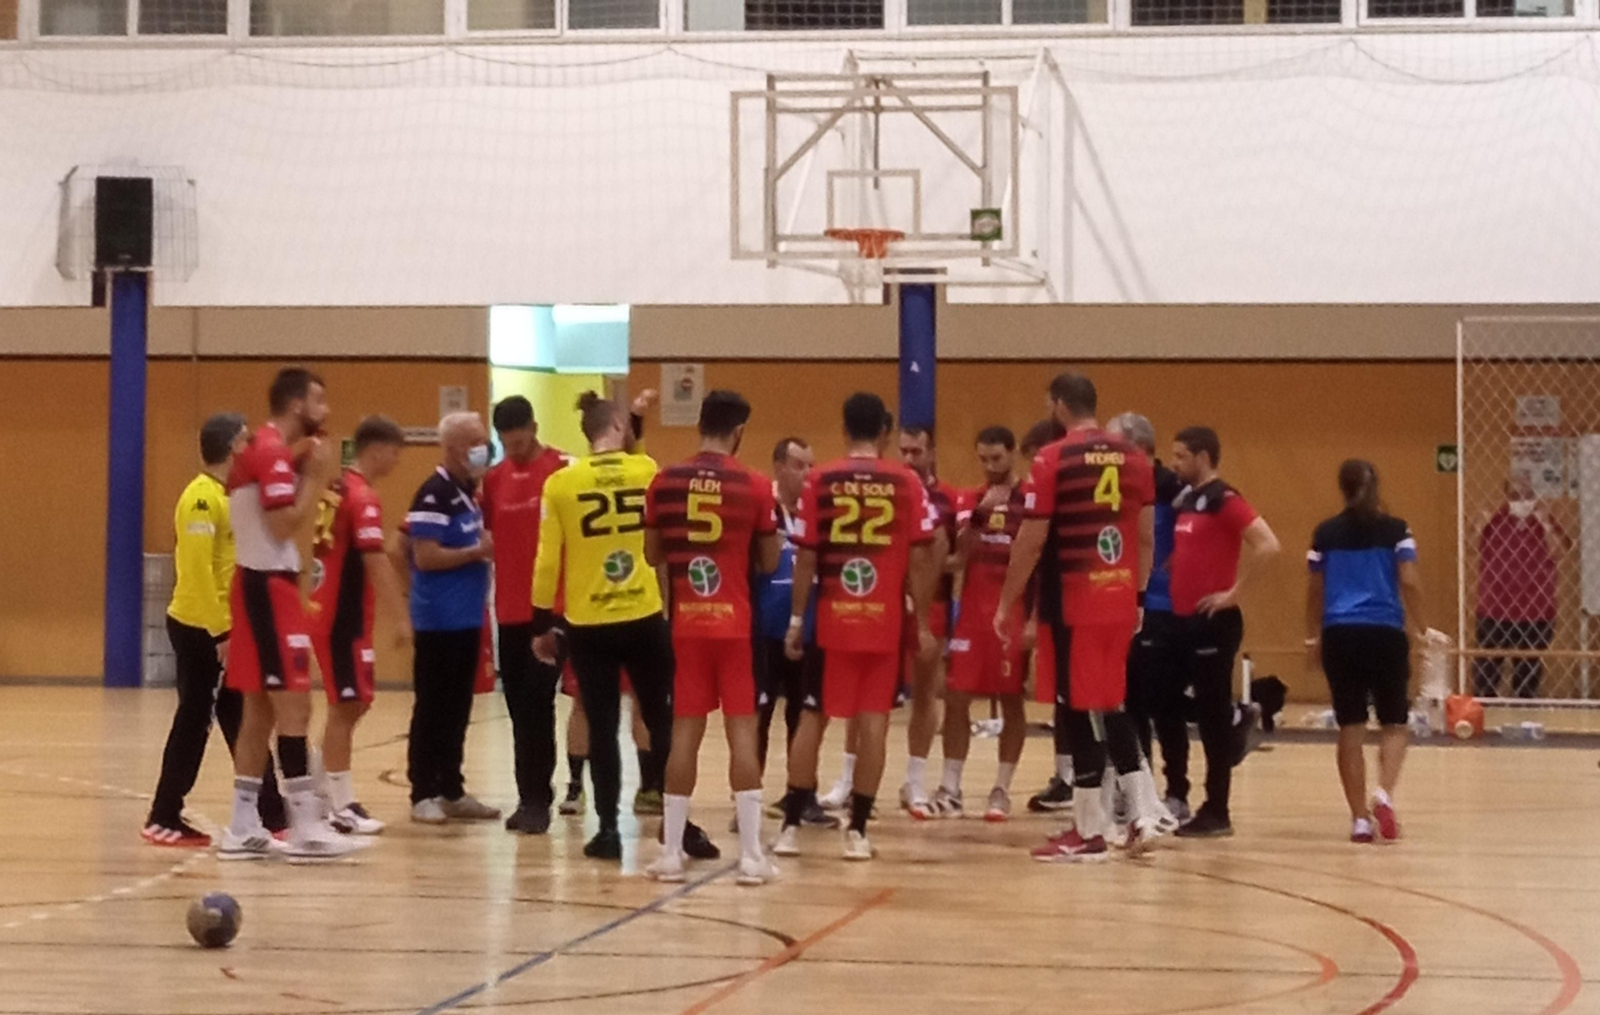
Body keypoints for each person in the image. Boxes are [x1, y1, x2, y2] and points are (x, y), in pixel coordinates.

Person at [531, 391, 716, 862]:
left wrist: (540, 625)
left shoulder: (561, 483)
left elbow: (547, 562)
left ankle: (609, 830)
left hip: (589, 623)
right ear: (618, 426)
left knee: (602, 725)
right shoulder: (647, 470)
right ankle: (679, 823)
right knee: (661, 722)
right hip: (644, 616)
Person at [997, 373, 1164, 862]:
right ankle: (1132, 814)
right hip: (1118, 597)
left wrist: (1007, 602)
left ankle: (1095, 830)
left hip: (1075, 602)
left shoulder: (1053, 458)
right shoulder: (1136, 457)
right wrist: (1137, 596)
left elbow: (1030, 539)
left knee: (1080, 709)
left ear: (1058, 405)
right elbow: (1147, 536)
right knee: (1107, 704)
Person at [774, 392, 938, 861]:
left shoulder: (821, 479)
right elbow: (924, 557)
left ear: (845, 431)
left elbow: (805, 555)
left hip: (832, 623)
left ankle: (789, 827)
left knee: (812, 719)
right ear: (885, 432)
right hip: (882, 624)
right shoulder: (907, 481)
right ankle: (859, 832)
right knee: (874, 727)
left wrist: (797, 619)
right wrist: (921, 621)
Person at [219, 367, 360, 861]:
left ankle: (241, 823)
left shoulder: (265, 449)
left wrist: (304, 462)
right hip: (267, 585)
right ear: (298, 403)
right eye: (319, 400)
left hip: (256, 583)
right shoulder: (272, 452)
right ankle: (304, 824)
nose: (326, 411)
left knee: (258, 709)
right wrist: (315, 480)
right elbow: (283, 525)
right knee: (293, 706)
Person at [643, 390, 782, 884]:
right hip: (736, 625)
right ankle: (750, 857)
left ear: (700, 424)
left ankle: (670, 855)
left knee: (684, 735)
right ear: (739, 431)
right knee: (742, 734)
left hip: (687, 624)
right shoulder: (756, 484)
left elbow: (652, 554)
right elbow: (768, 562)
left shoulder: (665, 480)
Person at [143, 413, 286, 847]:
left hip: (225, 628)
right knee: (195, 720)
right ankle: (164, 815)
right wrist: (220, 634)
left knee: (243, 719)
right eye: (246, 441)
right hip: (201, 629)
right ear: (231, 447)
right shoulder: (201, 499)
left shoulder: (230, 496)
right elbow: (197, 571)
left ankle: (273, 812)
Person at [1166, 425, 1281, 838]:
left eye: (1181, 456)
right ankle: (1240, 718)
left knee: (1211, 720)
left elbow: (1268, 545)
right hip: (1183, 620)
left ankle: (1217, 809)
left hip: (1213, 622)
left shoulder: (1224, 500)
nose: (1175, 463)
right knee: (1162, 697)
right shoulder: (1190, 501)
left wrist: (1234, 593)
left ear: (1202, 456)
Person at [1305, 460, 1425, 845]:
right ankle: (1384, 793)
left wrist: (1313, 636)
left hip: (1340, 634)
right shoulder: (1396, 531)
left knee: (1351, 727)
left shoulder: (1325, 533)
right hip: (1385, 632)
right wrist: (1420, 628)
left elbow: (1315, 590)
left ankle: (1359, 819)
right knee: (1394, 723)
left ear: (1342, 488)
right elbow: (1408, 580)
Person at [310, 415, 410, 836]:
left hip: (330, 612)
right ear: (377, 449)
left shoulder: (335, 488)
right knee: (347, 705)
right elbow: (375, 558)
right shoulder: (363, 497)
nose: (397, 460)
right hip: (341, 618)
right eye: (395, 452)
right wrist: (402, 617)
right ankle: (339, 802)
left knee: (354, 702)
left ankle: (319, 788)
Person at [481, 395, 572, 834]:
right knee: (519, 709)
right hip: (510, 613)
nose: (514, 449)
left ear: (534, 429)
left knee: (539, 703)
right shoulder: (494, 480)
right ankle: (527, 797)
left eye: (519, 440)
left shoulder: (561, 469)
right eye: (506, 442)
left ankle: (542, 799)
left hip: (553, 611)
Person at [405, 412, 501, 826]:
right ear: (453, 448)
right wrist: (474, 553)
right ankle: (422, 790)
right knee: (433, 706)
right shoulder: (433, 494)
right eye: (475, 441)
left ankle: (451, 788)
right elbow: (423, 555)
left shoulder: (469, 491)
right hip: (437, 621)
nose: (484, 448)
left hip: (466, 619)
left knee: (459, 707)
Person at [930, 426, 1028, 822]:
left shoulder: (1031, 501)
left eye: (997, 459)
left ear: (1013, 454)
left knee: (1012, 700)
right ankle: (950, 787)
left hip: (1014, 612)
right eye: (983, 460)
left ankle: (1001, 789)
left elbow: (1038, 565)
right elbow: (955, 561)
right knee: (955, 698)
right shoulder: (971, 500)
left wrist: (1035, 620)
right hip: (971, 614)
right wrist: (982, 515)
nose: (989, 467)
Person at [1106, 411, 1191, 822]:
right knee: (1129, 701)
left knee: (1167, 706)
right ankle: (1136, 786)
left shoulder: (1174, 488)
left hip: (1163, 607)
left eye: (1114, 443)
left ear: (1137, 447)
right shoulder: (1112, 486)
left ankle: (1178, 790)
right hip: (1125, 605)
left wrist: (1176, 562)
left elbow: (1193, 534)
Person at [752, 437, 837, 829]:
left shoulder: (817, 509)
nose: (808, 474)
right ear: (779, 466)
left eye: (811, 465)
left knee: (805, 716)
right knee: (759, 715)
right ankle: (748, 800)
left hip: (808, 630)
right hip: (765, 629)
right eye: (800, 465)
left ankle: (802, 796)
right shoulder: (762, 507)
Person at [896, 423, 958, 818]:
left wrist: (925, 570)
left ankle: (915, 780)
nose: (908, 459)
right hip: (885, 603)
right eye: (903, 451)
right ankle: (847, 782)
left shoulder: (949, 500)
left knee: (924, 694)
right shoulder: (890, 489)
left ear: (932, 453)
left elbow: (953, 559)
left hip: (930, 604)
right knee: (871, 698)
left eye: (916, 452)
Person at [1474, 476, 1571, 699]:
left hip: (1535, 610)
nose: (1522, 502)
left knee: (1527, 676)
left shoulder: (1544, 521)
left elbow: (1559, 552)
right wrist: (1480, 524)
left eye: (1528, 495)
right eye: (1516, 496)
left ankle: (1524, 716)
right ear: (1507, 497)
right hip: (1494, 609)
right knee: (1486, 674)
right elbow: (1471, 546)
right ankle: (1485, 715)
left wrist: (1545, 523)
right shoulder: (1495, 520)